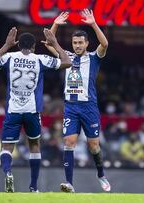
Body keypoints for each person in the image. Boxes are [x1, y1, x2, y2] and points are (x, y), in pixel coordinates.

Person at [0, 27, 72, 192]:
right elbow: (68, 62)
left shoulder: (9, 57)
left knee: (6, 147)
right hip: (32, 111)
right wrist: (55, 43)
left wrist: (6, 45)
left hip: (13, 110)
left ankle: (8, 173)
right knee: (34, 145)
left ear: (19, 45)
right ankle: (33, 186)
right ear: (33, 46)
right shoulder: (40, 59)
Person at [45, 9, 111, 192]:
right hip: (71, 107)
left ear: (87, 43)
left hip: (89, 107)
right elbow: (50, 44)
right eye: (75, 43)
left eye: (80, 43)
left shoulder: (93, 58)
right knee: (69, 142)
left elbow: (104, 43)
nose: (77, 46)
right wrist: (56, 23)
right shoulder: (67, 56)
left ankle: (101, 174)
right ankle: (69, 183)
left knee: (94, 145)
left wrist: (93, 24)